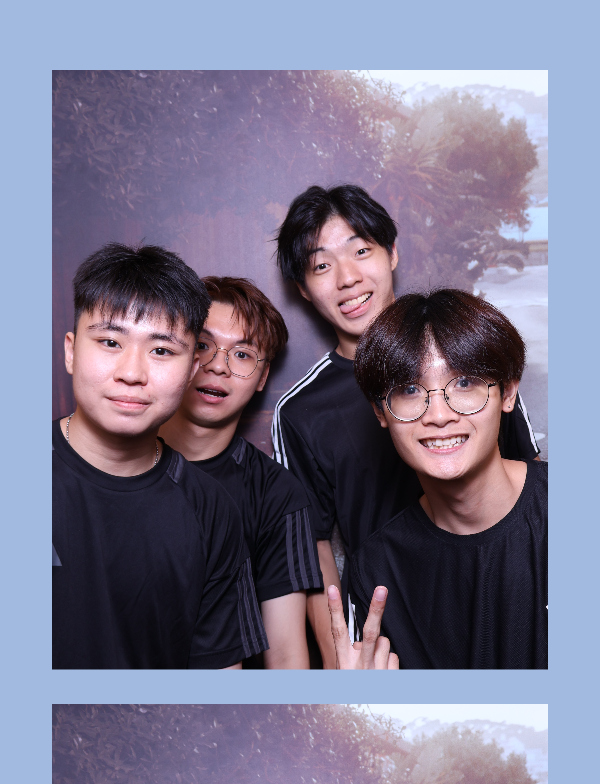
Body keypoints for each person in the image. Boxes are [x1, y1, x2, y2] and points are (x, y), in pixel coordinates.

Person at [272, 184, 540, 666]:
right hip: (402, 605)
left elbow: (528, 470)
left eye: (360, 250)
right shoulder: (299, 410)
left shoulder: (467, 350)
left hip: (510, 572)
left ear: (392, 252)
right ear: (303, 288)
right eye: (322, 265)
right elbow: (312, 545)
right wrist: (342, 661)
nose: (348, 277)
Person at [53, 243, 267, 670]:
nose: (132, 373)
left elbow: (218, 684)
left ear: (191, 371)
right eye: (110, 342)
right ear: (71, 351)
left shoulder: (211, 509)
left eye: (162, 351)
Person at [349, 289, 547, 668]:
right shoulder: (376, 570)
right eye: (410, 389)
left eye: (464, 383)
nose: (439, 416)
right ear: (380, 412)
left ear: (507, 392)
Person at [162, 277, 322, 669]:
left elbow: (285, 655)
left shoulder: (277, 495)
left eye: (243, 354)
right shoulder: (112, 461)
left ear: (263, 377)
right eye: (203, 345)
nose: (218, 366)